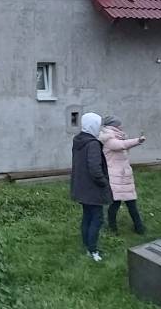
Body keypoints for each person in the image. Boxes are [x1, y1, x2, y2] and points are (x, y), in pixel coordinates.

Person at [70, 112, 113, 262]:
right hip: (93, 188)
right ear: (93, 126)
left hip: (81, 187)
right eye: (98, 125)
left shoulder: (78, 140)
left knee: (87, 216)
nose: (100, 128)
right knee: (97, 218)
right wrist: (104, 182)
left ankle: (87, 245)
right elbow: (95, 169)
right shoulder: (93, 144)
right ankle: (93, 250)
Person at [99, 115, 146, 234]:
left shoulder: (118, 136)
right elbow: (121, 145)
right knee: (115, 204)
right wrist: (138, 141)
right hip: (115, 177)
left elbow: (123, 145)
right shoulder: (108, 138)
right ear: (113, 125)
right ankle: (112, 228)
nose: (121, 126)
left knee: (131, 203)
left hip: (123, 175)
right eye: (119, 124)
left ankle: (139, 228)